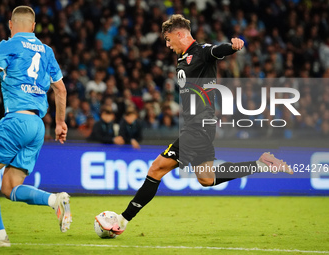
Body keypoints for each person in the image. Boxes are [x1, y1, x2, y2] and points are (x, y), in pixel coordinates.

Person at [96, 14, 293, 235]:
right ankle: (261, 163)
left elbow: (217, 50)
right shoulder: (183, 59)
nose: (168, 45)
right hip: (201, 127)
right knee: (206, 179)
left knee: (156, 169)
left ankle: (121, 221)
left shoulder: (201, 52)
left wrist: (234, 46)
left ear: (180, 34)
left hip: (198, 127)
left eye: (169, 39)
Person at [0, 6, 72, 247]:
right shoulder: (47, 51)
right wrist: (59, 122)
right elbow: (61, 89)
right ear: (34, 27)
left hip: (16, 121)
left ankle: (0, 236)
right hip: (38, 126)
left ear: (11, 25)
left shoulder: (9, 44)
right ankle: (55, 200)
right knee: (9, 187)